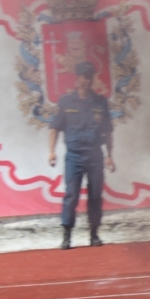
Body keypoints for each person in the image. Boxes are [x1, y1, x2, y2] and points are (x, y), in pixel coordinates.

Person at [48, 61, 115, 249]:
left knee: (95, 195)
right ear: (77, 78)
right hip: (74, 156)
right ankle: (67, 235)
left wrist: (110, 155)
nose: (88, 80)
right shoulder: (66, 102)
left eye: (90, 76)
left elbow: (107, 131)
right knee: (71, 195)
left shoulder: (100, 102)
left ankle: (94, 234)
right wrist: (51, 151)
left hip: (95, 156)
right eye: (85, 76)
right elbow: (55, 128)